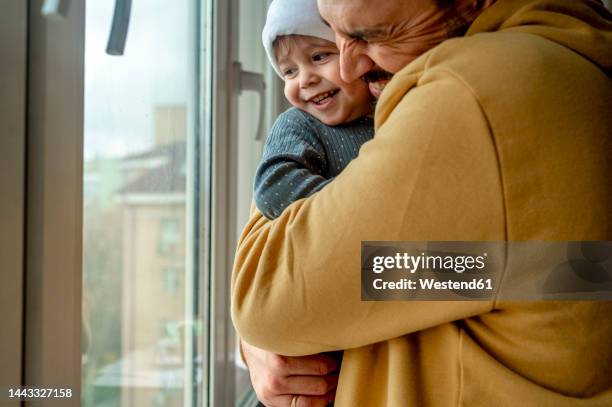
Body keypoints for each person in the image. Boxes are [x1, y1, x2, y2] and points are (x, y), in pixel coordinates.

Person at [233, 0, 612, 406]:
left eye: (370, 35)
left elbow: (268, 298)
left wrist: (288, 313)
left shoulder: (467, 92)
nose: (348, 68)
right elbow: (524, 275)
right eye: (334, 34)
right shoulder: (570, 58)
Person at [255, 0, 373, 220]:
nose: (305, 80)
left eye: (319, 57)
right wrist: (362, 203)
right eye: (289, 71)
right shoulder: (298, 124)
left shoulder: (395, 109)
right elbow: (274, 190)